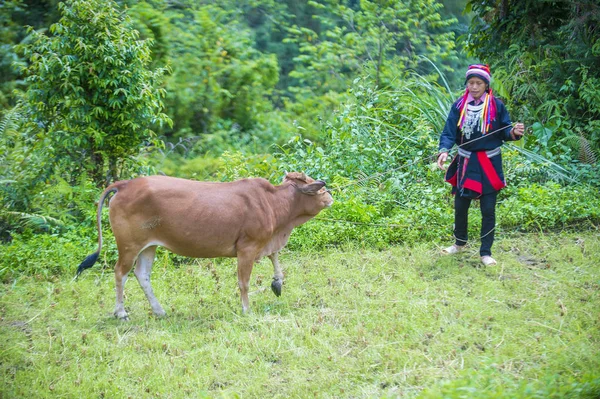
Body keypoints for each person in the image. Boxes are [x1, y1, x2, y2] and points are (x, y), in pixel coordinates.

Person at [437, 64, 525, 266]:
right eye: (471, 83)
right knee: (460, 205)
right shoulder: (459, 106)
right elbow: (449, 132)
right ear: (467, 84)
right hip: (465, 162)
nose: (474, 87)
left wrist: (514, 133)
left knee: (488, 209)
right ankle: (459, 244)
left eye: (479, 83)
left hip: (489, 163)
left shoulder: (496, 106)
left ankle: (485, 253)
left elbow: (505, 131)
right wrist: (444, 150)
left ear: (486, 84)